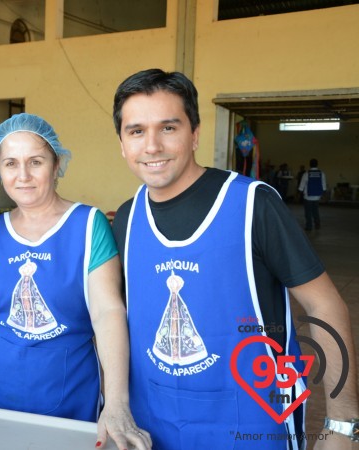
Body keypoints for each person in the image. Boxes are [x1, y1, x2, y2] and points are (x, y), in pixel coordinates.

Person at [111, 69, 357, 450]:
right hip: (152, 421)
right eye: (137, 131)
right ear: (122, 144)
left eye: (169, 128)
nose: (152, 146)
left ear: (194, 134)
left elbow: (324, 304)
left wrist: (342, 425)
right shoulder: (126, 218)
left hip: (254, 419)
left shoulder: (252, 204)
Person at [0, 113, 151, 450]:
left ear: (57, 164)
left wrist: (116, 402)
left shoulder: (88, 225)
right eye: (11, 163)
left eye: (36, 161)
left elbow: (108, 313)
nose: (23, 175)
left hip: (70, 406)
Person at [298, 158, 327, 231]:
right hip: (317, 196)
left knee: (308, 212)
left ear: (310, 165)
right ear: (317, 164)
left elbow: (302, 185)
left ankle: (309, 226)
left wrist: (299, 192)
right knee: (315, 210)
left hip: (308, 196)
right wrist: (323, 193)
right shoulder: (321, 173)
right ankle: (317, 224)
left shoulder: (306, 174)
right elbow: (323, 185)